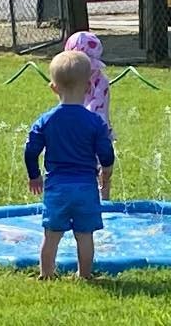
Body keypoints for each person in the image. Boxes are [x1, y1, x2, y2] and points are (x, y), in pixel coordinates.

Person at [24, 50, 115, 280]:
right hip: (85, 188)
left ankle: (46, 274)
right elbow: (106, 154)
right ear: (87, 87)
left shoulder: (46, 120)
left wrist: (34, 175)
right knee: (85, 235)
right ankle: (84, 275)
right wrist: (106, 175)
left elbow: (31, 150)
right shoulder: (94, 121)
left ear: (53, 87)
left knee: (51, 234)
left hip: (57, 188)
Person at [64, 31, 115, 200]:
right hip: (77, 129)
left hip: (98, 131)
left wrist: (77, 120)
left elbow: (96, 108)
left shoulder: (101, 82)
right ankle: (82, 198)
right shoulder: (71, 80)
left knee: (104, 168)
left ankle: (104, 200)